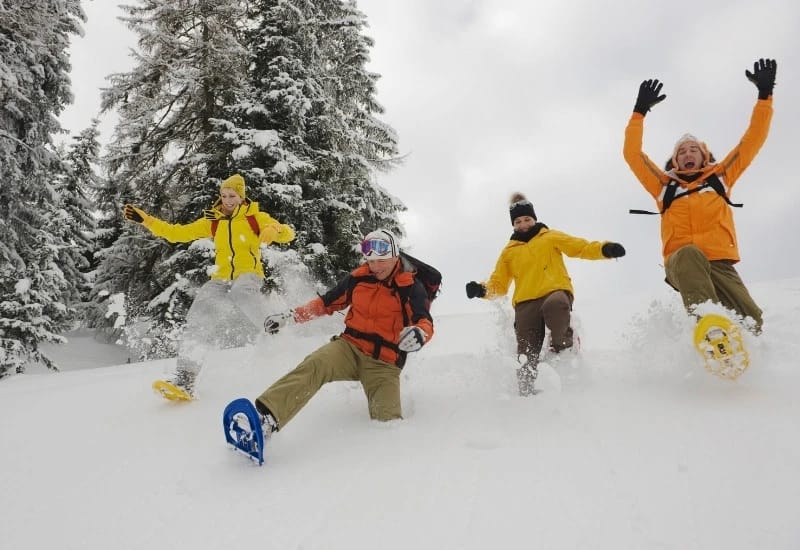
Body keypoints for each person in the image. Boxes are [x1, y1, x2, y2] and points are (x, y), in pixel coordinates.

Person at [623, 58, 776, 334]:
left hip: (719, 262)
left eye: (693, 150)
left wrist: (764, 97)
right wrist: (639, 112)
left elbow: (753, 139)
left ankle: (738, 361)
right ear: (675, 161)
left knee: (753, 321)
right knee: (691, 255)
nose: (688, 154)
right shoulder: (664, 186)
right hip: (682, 262)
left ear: (703, 156)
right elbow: (632, 155)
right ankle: (709, 327)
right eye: (682, 152)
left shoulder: (720, 178)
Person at [122, 174, 295, 398]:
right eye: (224, 195)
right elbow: (176, 233)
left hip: (250, 274)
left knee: (242, 292)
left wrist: (274, 230)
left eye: (232, 195)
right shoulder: (214, 222)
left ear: (242, 197)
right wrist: (146, 220)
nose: (227, 200)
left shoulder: (255, 217)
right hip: (222, 277)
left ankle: (273, 326)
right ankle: (185, 380)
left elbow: (288, 232)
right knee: (199, 316)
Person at [252, 228, 434, 437]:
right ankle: (266, 419)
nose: (375, 266)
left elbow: (425, 322)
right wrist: (290, 316)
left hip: (383, 363)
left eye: (381, 260)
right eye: (371, 261)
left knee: (387, 425)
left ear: (394, 256)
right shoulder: (359, 277)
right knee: (315, 364)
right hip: (348, 347)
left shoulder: (410, 286)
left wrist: (420, 333)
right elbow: (326, 303)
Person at [465, 193, 625, 395]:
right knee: (525, 358)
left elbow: (580, 247)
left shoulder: (549, 236)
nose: (523, 224)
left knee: (555, 306)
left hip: (555, 291)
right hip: (525, 303)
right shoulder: (509, 252)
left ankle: (564, 346)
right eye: (518, 221)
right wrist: (481, 290)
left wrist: (605, 249)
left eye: (527, 219)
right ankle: (527, 396)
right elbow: (499, 284)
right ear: (513, 224)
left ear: (534, 218)